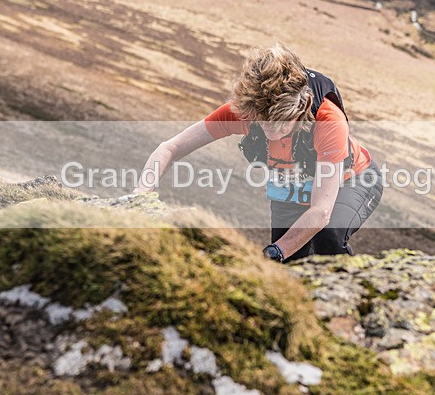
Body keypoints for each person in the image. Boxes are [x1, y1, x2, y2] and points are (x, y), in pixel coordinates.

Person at [134, 42, 383, 263]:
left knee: (328, 239)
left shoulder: (327, 120)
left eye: (282, 122)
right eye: (262, 122)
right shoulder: (245, 111)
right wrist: (140, 195)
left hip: (351, 180)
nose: (271, 131)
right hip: (292, 187)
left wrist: (272, 253)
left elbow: (320, 212)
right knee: (287, 264)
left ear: (303, 105)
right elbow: (170, 147)